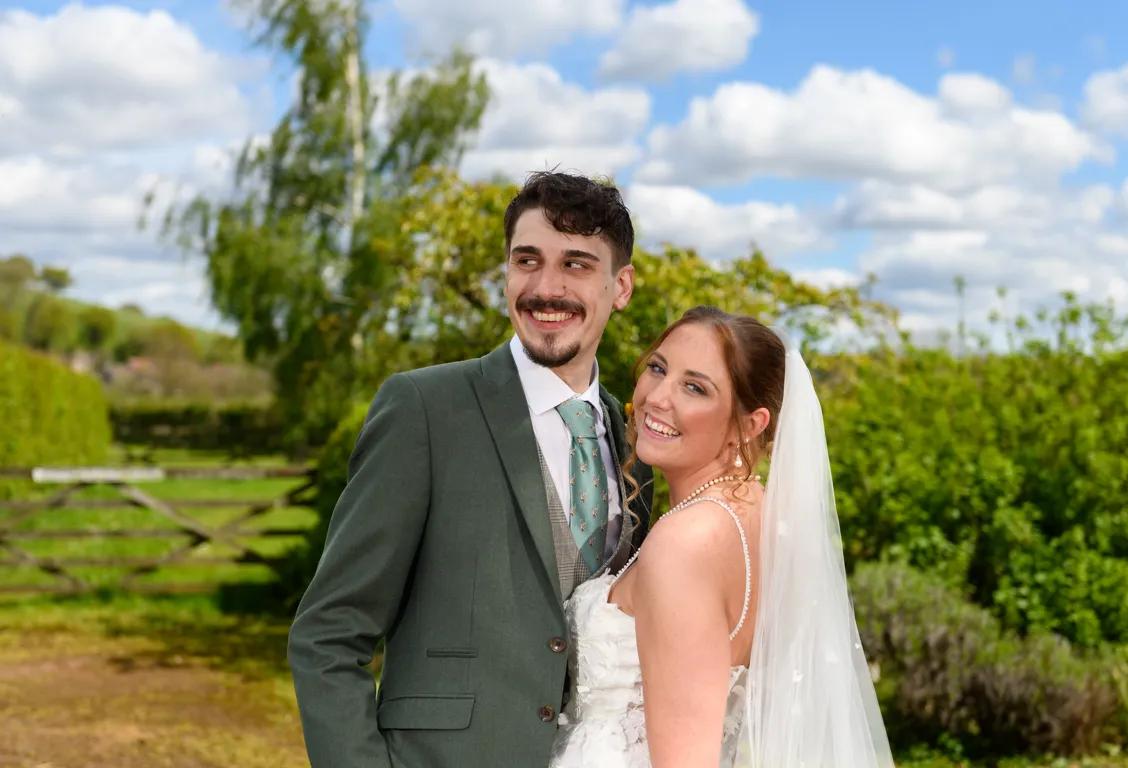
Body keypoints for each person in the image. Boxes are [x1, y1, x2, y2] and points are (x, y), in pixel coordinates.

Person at [287, 170, 655, 767]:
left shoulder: (636, 440)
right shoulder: (425, 409)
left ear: (622, 286)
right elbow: (329, 632)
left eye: (577, 265)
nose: (546, 287)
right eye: (526, 260)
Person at [549, 305, 895, 767]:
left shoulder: (687, 541)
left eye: (695, 387)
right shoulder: (761, 514)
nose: (657, 397)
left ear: (751, 424)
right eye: (658, 368)